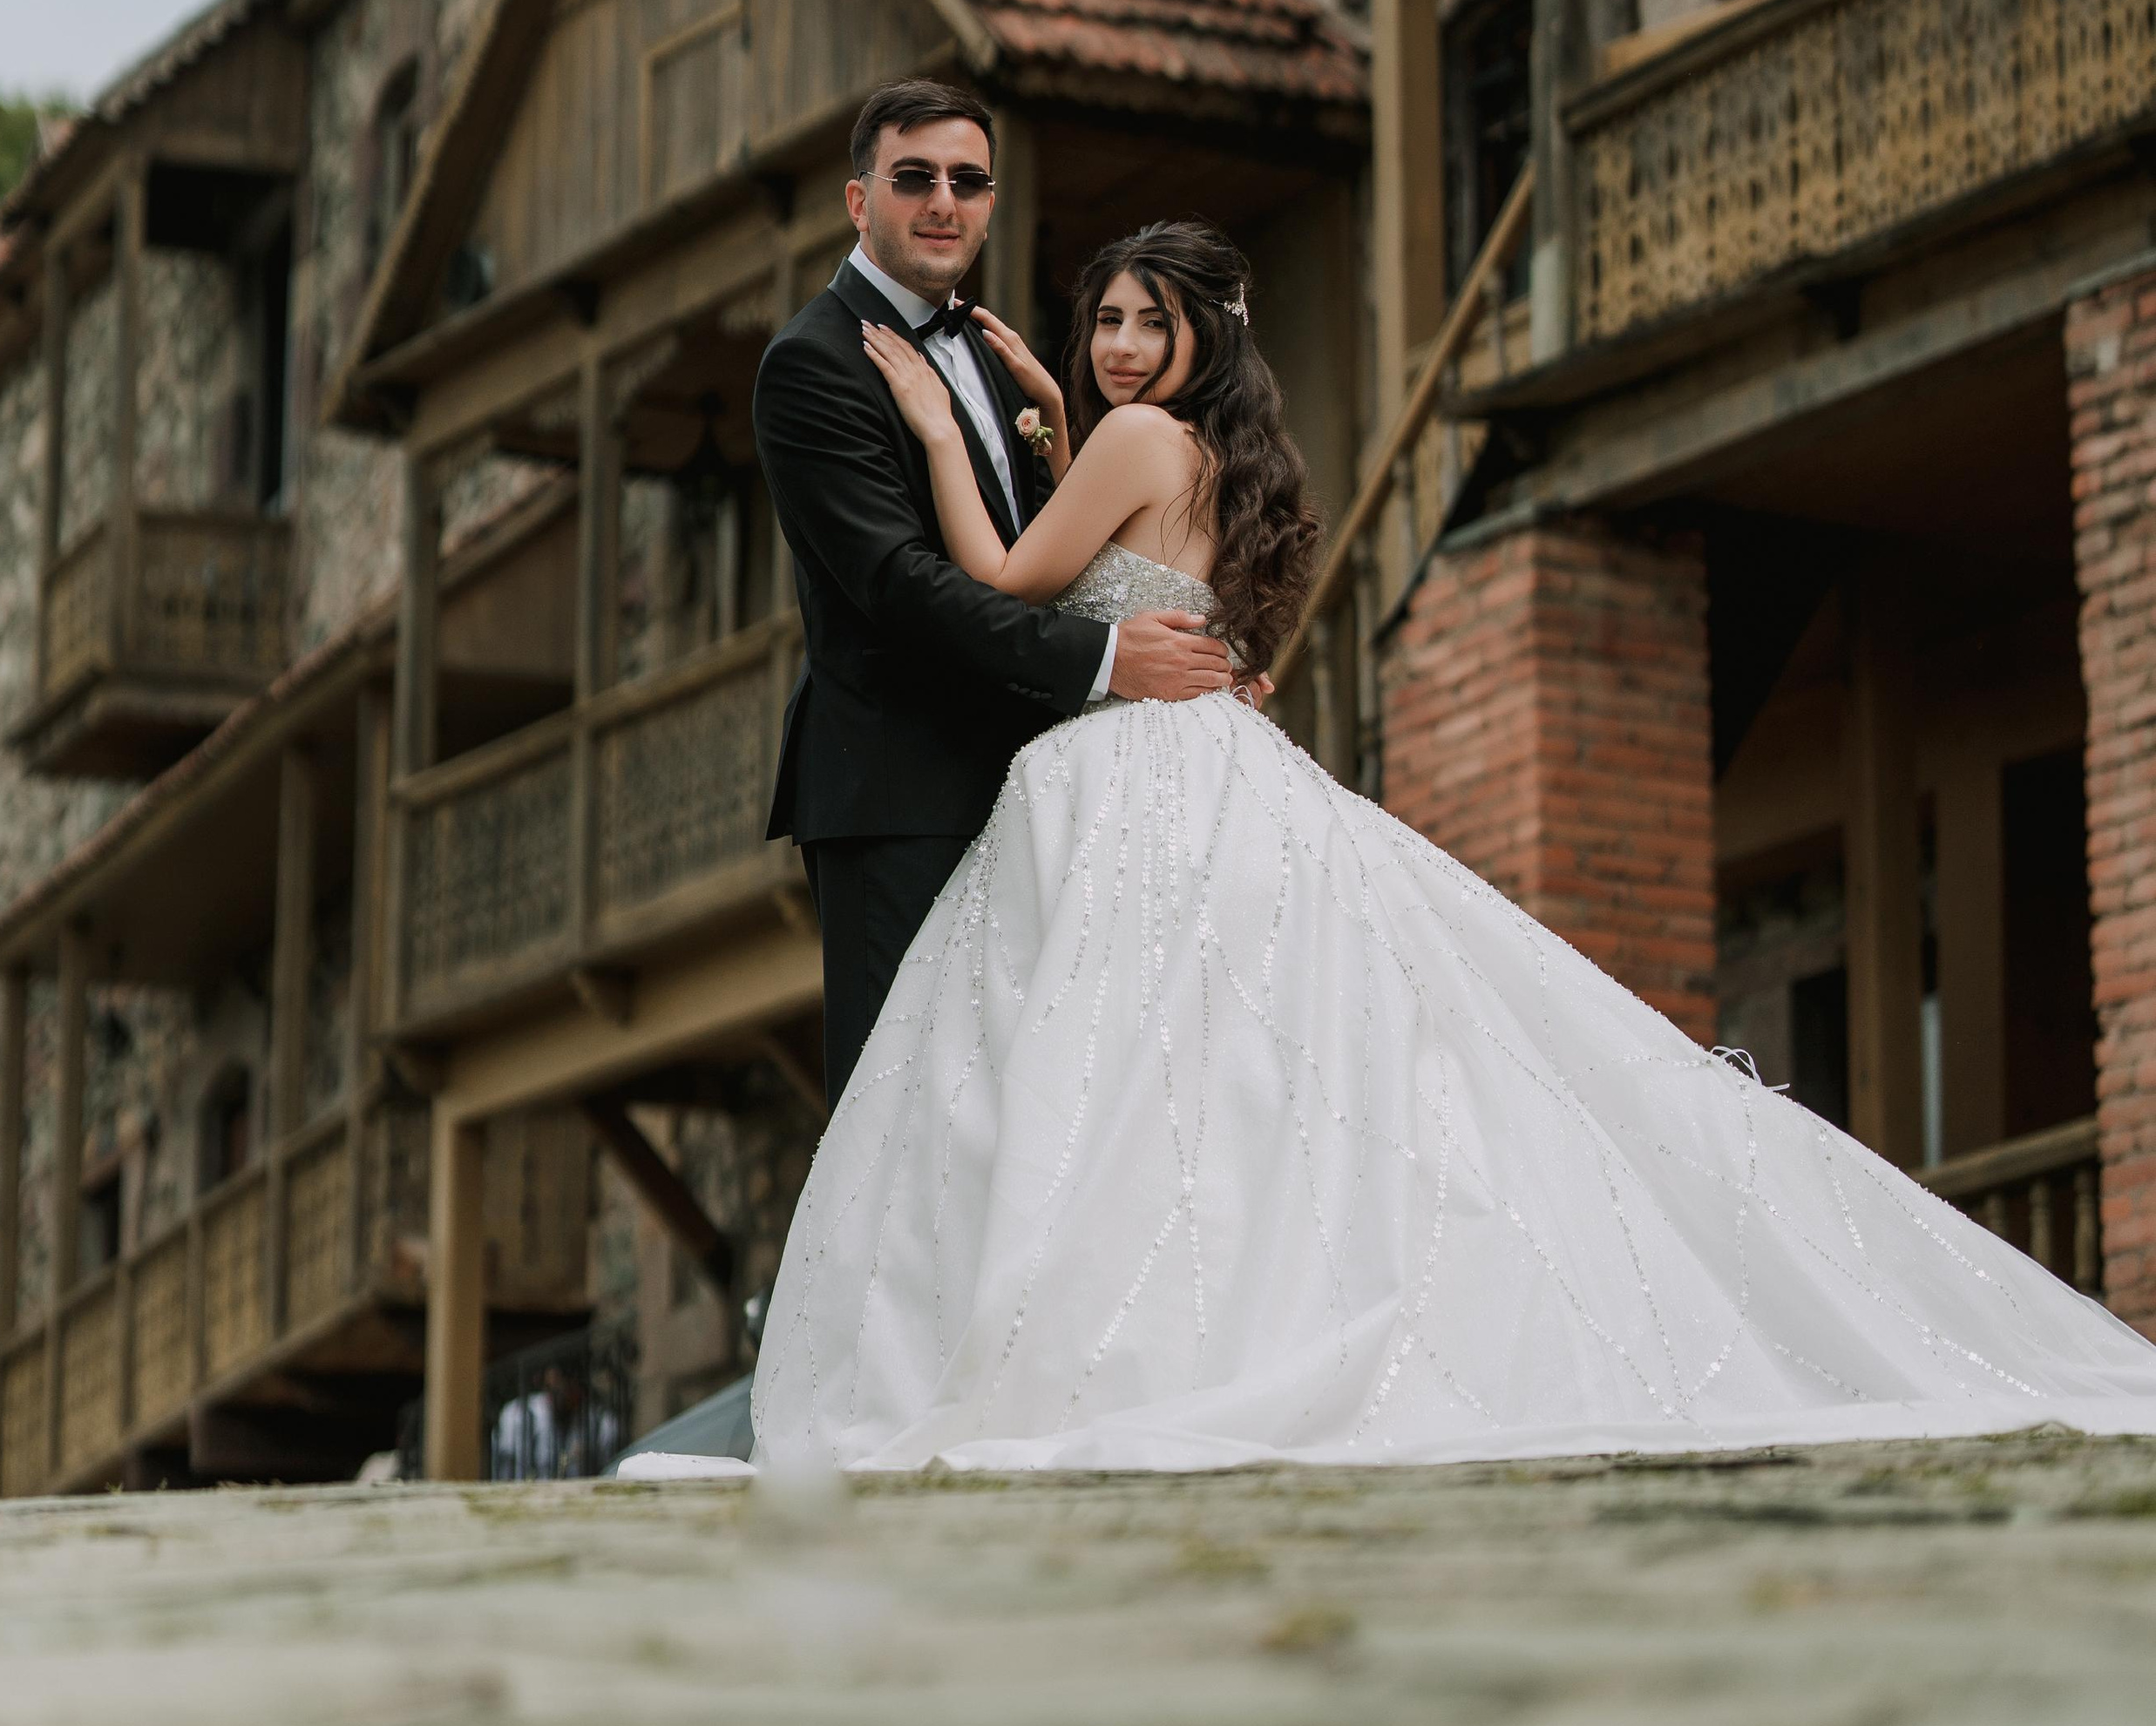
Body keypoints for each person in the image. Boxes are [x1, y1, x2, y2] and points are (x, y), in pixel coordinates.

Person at [749, 215, 2156, 1472]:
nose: (1118, 343)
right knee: (1229, 1081)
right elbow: (1204, 613)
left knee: (1125, 1076)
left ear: (1202, 334)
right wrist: (1060, 415)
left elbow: (1001, 578)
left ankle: (1114, 1338)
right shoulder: (1227, 456)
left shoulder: (1129, 441)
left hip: (1126, 780)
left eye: (1147, 320)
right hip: (1232, 777)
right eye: (1104, 319)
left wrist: (944, 435)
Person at [751, 80, 1236, 1113]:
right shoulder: (812, 365)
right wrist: (1110, 662)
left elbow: (1061, 552)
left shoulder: (995, 357)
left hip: (1038, 791)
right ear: (857, 200)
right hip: (901, 791)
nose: (943, 202)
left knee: (1026, 1122)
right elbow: (898, 587)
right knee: (904, 1117)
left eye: (967, 182)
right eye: (913, 177)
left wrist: (1204, 644)